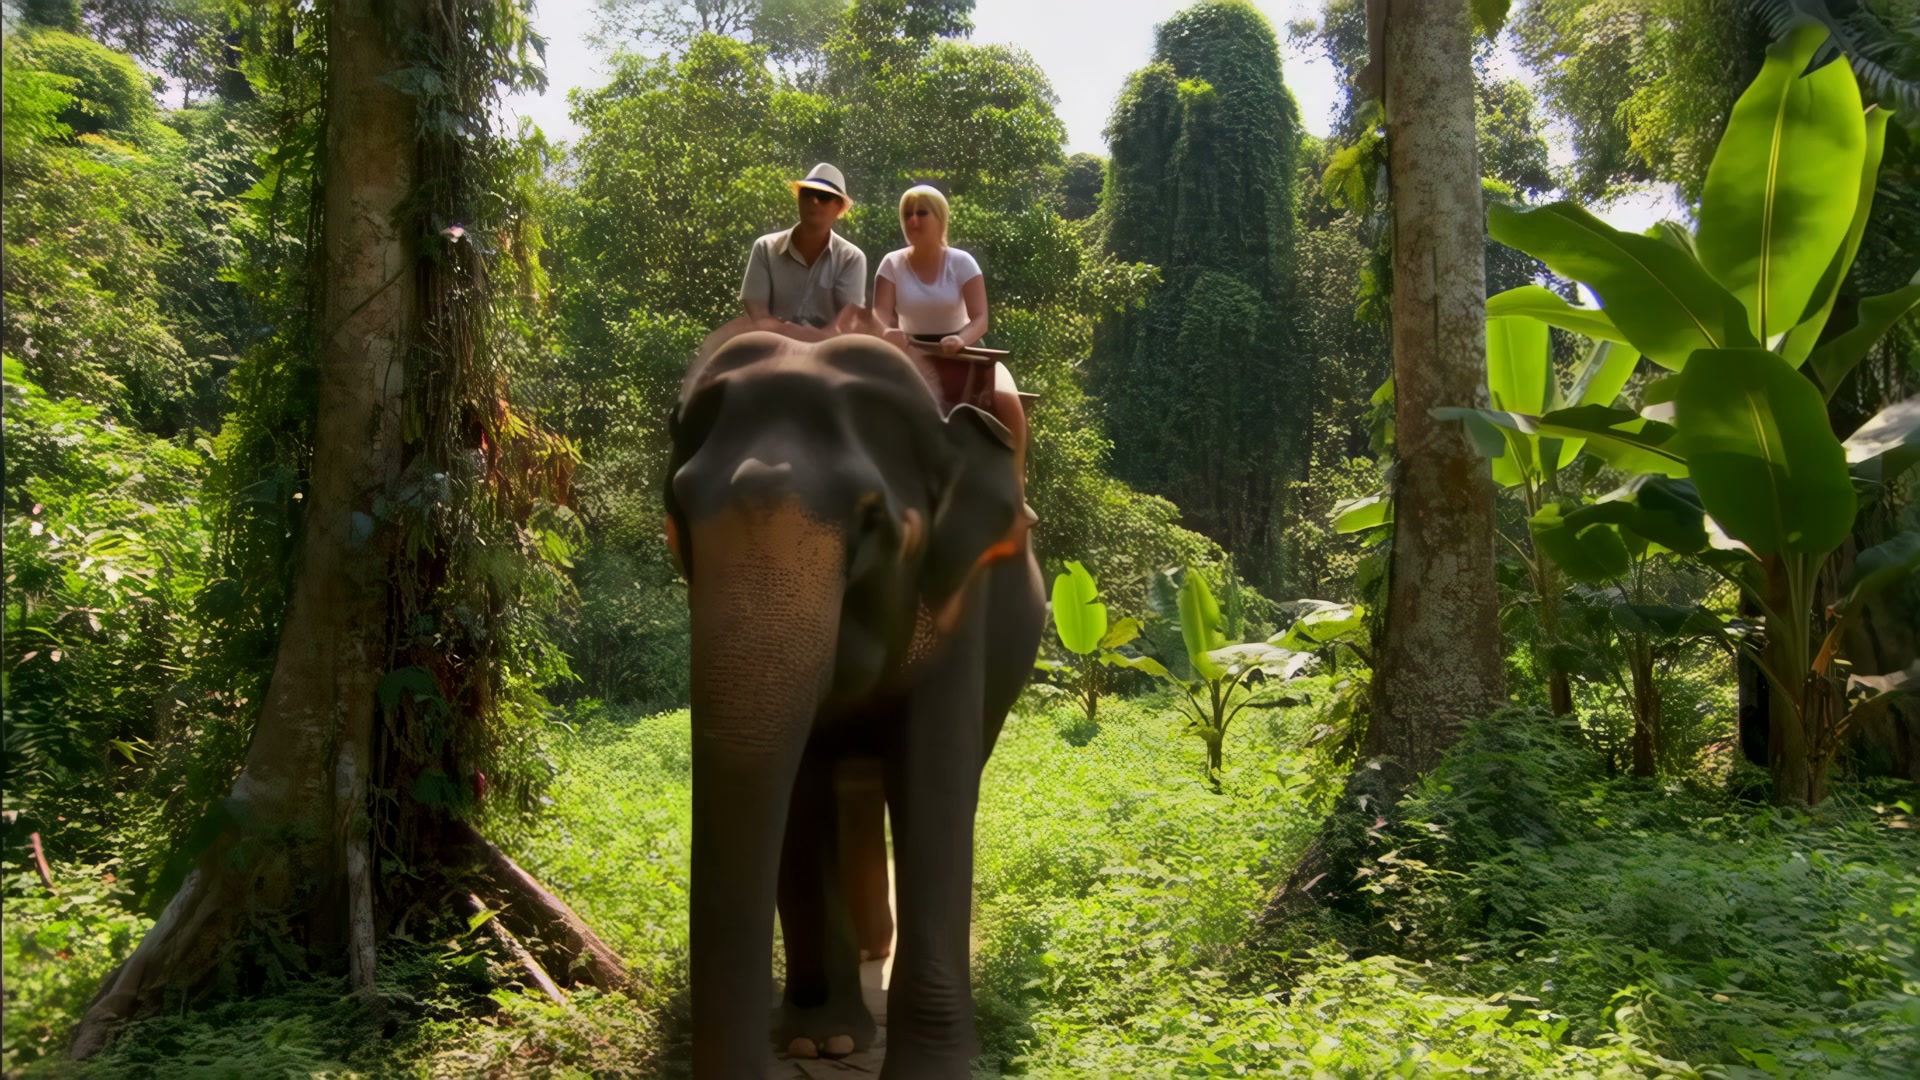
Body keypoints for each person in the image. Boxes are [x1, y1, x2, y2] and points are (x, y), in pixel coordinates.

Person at [871, 184, 1031, 496]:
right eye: (907, 214)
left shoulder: (962, 262)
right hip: (909, 356)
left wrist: (959, 339)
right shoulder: (891, 263)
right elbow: (880, 317)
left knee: (1008, 400)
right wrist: (888, 333)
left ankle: (1017, 484)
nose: (913, 221)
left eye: (921, 213)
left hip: (965, 352)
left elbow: (980, 318)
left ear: (941, 218)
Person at [700, 163, 867, 360]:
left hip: (827, 354)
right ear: (798, 198)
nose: (814, 201)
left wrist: (808, 341)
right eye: (807, 193)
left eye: (824, 197)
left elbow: (846, 323)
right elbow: (757, 312)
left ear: (840, 207)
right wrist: (791, 335)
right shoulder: (765, 247)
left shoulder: (852, 257)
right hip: (769, 349)